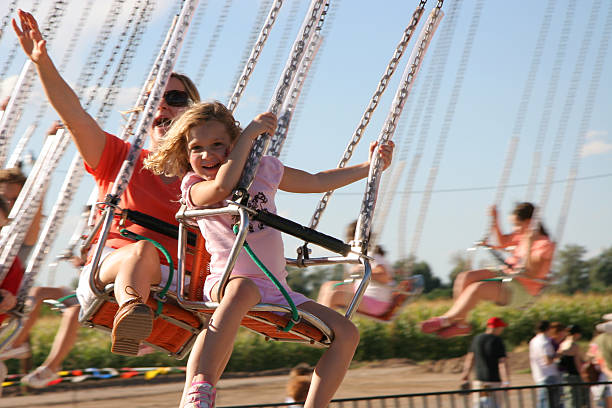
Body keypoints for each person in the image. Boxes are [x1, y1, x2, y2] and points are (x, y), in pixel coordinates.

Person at [143, 101, 395, 408]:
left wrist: (370, 168)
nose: (207, 155)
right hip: (228, 282)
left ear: (232, 144)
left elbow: (317, 181)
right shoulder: (194, 187)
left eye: (218, 144)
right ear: (186, 152)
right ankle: (199, 389)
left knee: (347, 333)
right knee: (242, 291)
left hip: (276, 290)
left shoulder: (262, 170)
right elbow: (222, 187)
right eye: (197, 148)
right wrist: (249, 134)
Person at [12, 9, 199, 357]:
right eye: (155, 97)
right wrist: (42, 62)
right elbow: (75, 115)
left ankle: (141, 319)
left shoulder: (206, 176)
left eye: (175, 98)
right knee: (142, 252)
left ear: (192, 112)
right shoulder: (120, 159)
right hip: (112, 269)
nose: (164, 104)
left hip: (177, 279)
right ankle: (132, 314)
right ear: (144, 112)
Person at [421, 202, 555, 338]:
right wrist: (495, 219)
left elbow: (531, 272)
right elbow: (502, 242)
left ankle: (447, 319)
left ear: (529, 223)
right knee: (465, 277)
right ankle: (462, 324)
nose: (515, 229)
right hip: (508, 274)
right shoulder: (523, 236)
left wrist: (530, 243)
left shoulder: (544, 245)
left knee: (477, 288)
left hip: (522, 288)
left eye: (517, 225)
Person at [317, 220, 396, 317]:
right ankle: (316, 317)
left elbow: (385, 277)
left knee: (335, 296)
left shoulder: (373, 256)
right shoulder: (366, 256)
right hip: (366, 296)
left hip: (376, 302)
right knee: (327, 286)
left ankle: (322, 322)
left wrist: (362, 272)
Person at [460, 316, 511, 408]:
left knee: (480, 405)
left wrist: (465, 374)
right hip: (494, 382)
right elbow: (502, 362)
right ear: (498, 327)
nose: (502, 330)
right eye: (501, 327)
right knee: (495, 405)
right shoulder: (497, 340)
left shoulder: (477, 339)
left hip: (479, 381)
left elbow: (470, 358)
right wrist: (506, 380)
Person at [529, 320, 562, 408]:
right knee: (550, 403)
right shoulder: (545, 342)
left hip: (539, 374)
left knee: (543, 402)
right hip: (549, 375)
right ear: (549, 329)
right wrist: (559, 353)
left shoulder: (534, 340)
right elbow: (547, 360)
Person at [558, 324, 589, 408]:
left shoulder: (562, 344)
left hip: (565, 375)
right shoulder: (574, 346)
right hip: (574, 376)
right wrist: (584, 376)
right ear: (577, 334)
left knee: (569, 399)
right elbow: (578, 363)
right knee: (576, 400)